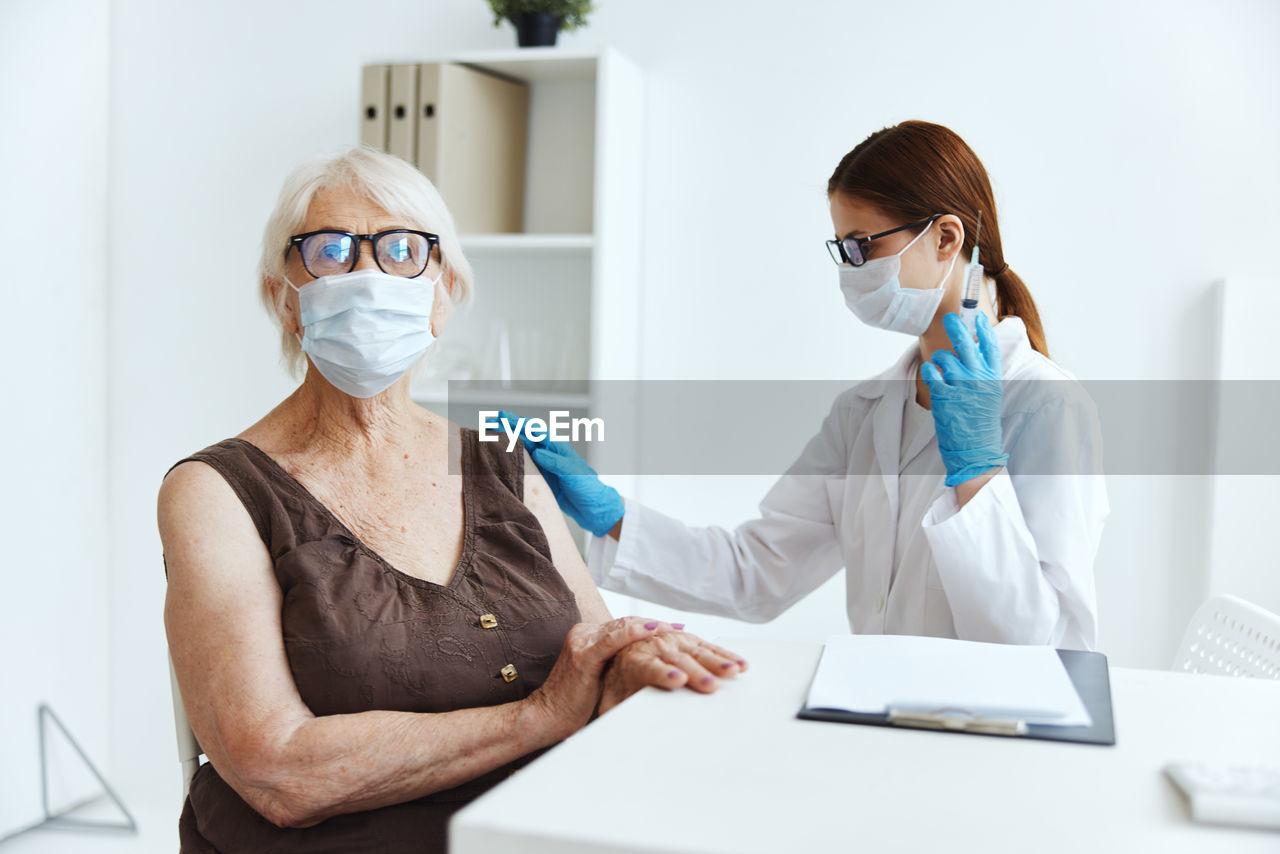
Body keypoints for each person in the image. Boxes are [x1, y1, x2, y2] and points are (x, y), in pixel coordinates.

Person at [157, 146, 746, 854]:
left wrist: (640, 660)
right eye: (333, 251)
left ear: (443, 294)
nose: (369, 276)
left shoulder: (503, 461)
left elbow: (593, 658)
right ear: (284, 297)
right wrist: (540, 717)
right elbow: (277, 772)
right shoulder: (215, 491)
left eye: (405, 250)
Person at [514, 120, 1107, 649]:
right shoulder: (864, 413)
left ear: (945, 238)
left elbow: (1041, 644)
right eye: (842, 249)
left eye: (863, 245)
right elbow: (757, 573)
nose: (851, 270)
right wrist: (612, 517)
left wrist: (978, 471)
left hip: (998, 742)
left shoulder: (1046, 405)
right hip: (884, 718)